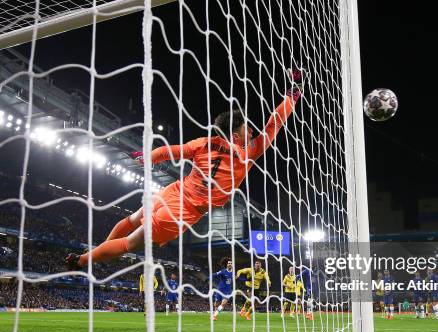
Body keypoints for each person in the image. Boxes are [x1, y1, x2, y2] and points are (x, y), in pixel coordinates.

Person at [65, 70, 304, 270]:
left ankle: (96, 252)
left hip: (173, 192)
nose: (251, 131)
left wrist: (147, 157)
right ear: (234, 135)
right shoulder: (247, 154)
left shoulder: (202, 143)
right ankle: (83, 261)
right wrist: (292, 98)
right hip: (182, 211)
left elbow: (170, 151)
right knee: (129, 243)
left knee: (132, 219)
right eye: (246, 129)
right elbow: (275, 123)